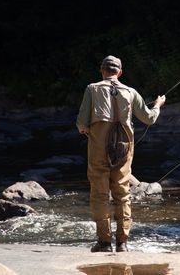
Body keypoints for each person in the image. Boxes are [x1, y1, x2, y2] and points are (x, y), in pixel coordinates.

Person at [76, 55, 166, 252]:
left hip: (98, 148)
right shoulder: (131, 92)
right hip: (124, 149)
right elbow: (149, 119)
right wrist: (158, 105)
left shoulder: (92, 88)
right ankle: (122, 243)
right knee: (122, 193)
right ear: (120, 72)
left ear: (102, 71)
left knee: (99, 193)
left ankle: (104, 242)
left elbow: (81, 123)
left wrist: (87, 131)